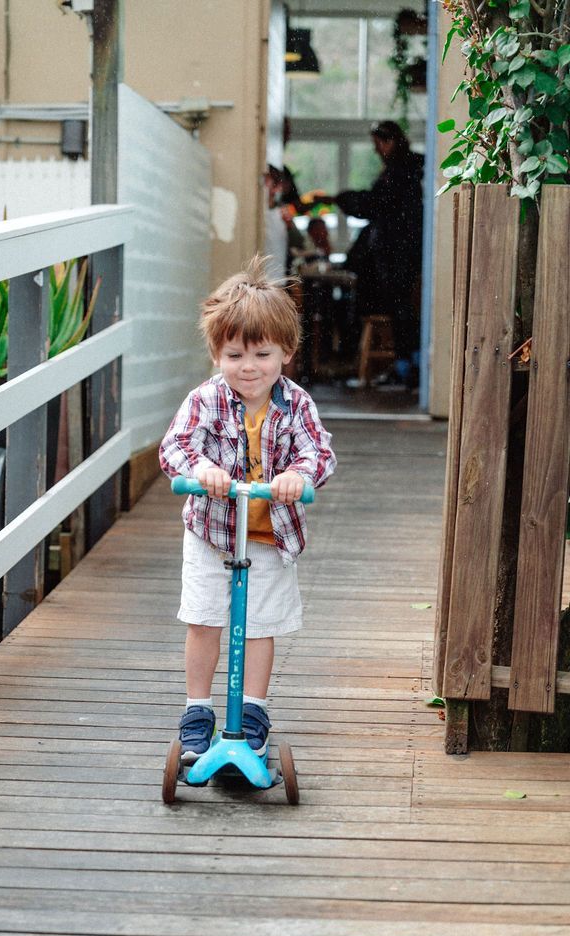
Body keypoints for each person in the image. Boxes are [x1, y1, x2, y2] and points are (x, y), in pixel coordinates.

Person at [159, 256, 337, 763]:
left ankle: (253, 711)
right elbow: (174, 448)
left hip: (270, 535)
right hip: (212, 534)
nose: (249, 367)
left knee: (260, 623)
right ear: (217, 353)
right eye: (235, 355)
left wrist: (298, 477)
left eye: (262, 353)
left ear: (286, 351)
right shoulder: (205, 400)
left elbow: (318, 450)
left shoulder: (296, 403)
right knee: (204, 618)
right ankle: (197, 710)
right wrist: (200, 471)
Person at [325, 120, 423, 386]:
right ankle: (409, 364)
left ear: (388, 142)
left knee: (399, 309)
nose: (376, 150)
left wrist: (343, 199)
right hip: (405, 251)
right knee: (403, 311)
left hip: (397, 253)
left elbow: (373, 204)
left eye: (378, 144)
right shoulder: (411, 170)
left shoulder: (398, 173)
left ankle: (406, 368)